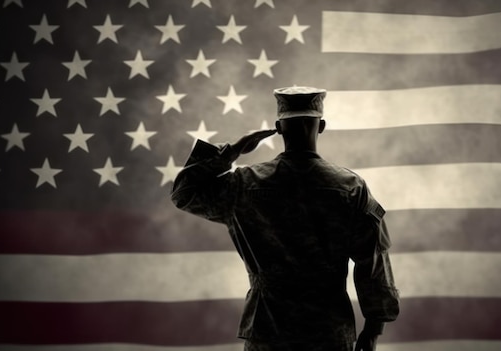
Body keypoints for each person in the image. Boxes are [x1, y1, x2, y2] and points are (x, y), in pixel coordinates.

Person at [171, 86, 399, 351]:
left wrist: (231, 152)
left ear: (279, 127)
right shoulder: (350, 187)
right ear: (321, 126)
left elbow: (184, 193)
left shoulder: (244, 185)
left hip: (268, 329)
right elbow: (372, 260)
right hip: (327, 330)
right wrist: (373, 329)